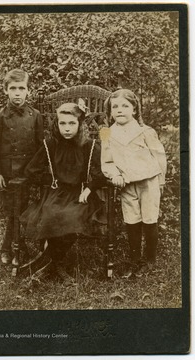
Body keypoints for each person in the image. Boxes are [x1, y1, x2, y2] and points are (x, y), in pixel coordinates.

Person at [19, 101, 107, 284]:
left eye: (72, 123)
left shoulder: (89, 146)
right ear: (56, 124)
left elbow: (101, 173)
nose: (67, 128)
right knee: (51, 214)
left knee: (72, 217)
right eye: (62, 123)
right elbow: (31, 170)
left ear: (80, 124)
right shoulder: (51, 144)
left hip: (81, 194)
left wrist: (90, 188)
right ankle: (56, 265)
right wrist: (48, 181)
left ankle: (48, 265)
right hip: (56, 192)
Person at [100, 89, 167, 277]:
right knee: (131, 219)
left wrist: (160, 180)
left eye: (125, 106)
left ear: (135, 110)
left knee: (150, 218)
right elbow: (106, 160)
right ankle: (135, 259)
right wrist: (115, 175)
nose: (120, 110)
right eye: (115, 107)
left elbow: (159, 156)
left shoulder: (145, 131)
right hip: (127, 183)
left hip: (149, 180)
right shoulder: (106, 133)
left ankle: (150, 259)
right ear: (110, 111)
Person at [0, 69, 43, 265]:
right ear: (6, 91)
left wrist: (38, 171)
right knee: (13, 211)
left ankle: (17, 246)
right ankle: (10, 248)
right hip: (8, 173)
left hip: (27, 172)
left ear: (29, 91)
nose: (17, 93)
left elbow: (40, 146)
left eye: (22, 88)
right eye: (13, 88)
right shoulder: (0, 117)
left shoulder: (35, 115)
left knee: (22, 210)